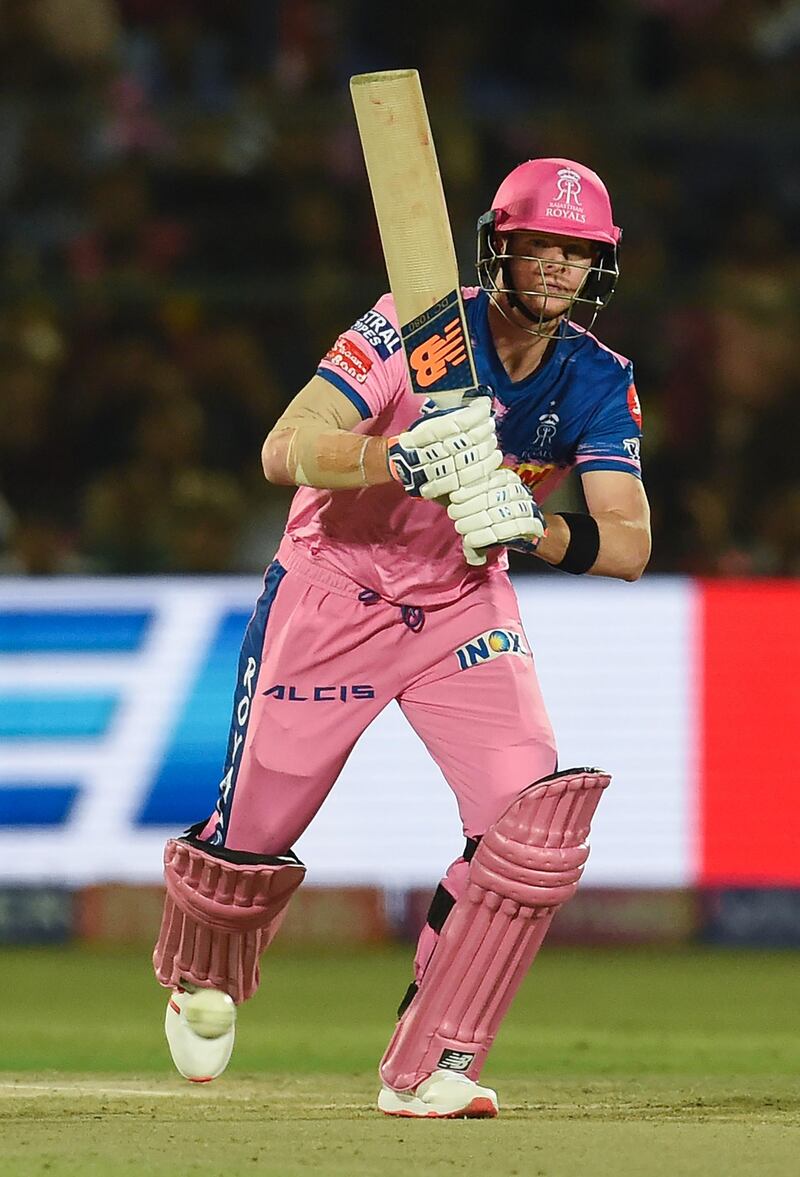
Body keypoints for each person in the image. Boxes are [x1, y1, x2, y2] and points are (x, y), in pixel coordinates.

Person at [152, 158, 651, 1117]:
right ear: (499, 244)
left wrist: (531, 528)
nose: (558, 265)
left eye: (580, 252)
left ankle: (434, 1064)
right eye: (542, 243)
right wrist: (394, 455)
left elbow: (627, 542)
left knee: (528, 826)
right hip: (335, 590)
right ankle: (202, 976)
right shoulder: (410, 324)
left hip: (465, 600)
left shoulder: (597, 379)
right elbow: (283, 446)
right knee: (249, 842)